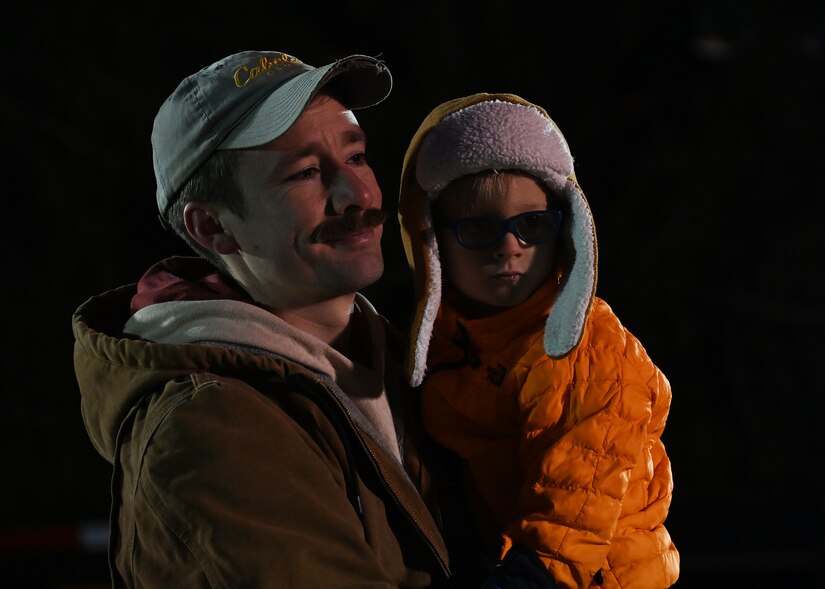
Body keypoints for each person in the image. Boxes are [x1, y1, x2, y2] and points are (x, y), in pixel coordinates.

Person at [72, 51, 556, 589]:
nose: (362, 195)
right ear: (213, 227)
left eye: (357, 157)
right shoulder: (211, 428)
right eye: (305, 173)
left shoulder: (405, 362)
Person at [397, 93, 680, 588]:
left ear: (566, 228)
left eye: (532, 224)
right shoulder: (451, 339)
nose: (510, 247)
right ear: (432, 241)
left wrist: (524, 578)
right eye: (479, 228)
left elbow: (575, 506)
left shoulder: (588, 349)